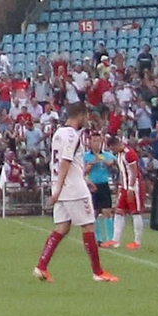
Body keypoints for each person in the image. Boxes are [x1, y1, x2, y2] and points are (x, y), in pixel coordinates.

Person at [35, 102, 118, 283]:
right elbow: (65, 162)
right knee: (89, 226)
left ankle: (41, 267)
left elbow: (64, 164)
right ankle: (98, 272)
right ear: (80, 115)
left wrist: (79, 182)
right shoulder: (72, 135)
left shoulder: (58, 133)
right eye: (86, 115)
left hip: (62, 184)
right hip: (72, 188)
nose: (88, 119)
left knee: (62, 228)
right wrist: (59, 190)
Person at [83, 131, 118, 247]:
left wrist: (108, 163)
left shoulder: (107, 155)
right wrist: (93, 162)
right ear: (90, 142)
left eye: (98, 141)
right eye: (94, 141)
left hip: (104, 185)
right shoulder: (86, 156)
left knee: (107, 212)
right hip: (92, 186)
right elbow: (83, 171)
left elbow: (114, 164)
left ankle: (110, 238)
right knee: (94, 213)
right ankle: (98, 239)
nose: (96, 144)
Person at [113, 135, 145, 250]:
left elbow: (134, 171)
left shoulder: (129, 153)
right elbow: (123, 172)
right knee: (119, 211)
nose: (113, 151)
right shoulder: (119, 154)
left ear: (116, 145)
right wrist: (121, 186)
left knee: (135, 212)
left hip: (133, 186)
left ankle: (137, 241)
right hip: (124, 186)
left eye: (113, 149)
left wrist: (131, 188)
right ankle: (115, 240)